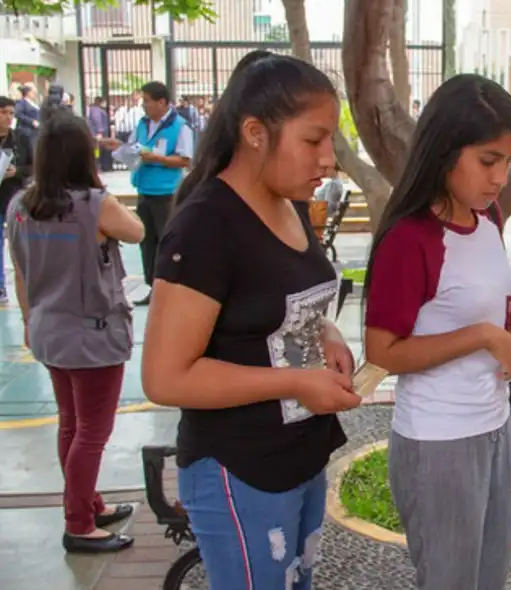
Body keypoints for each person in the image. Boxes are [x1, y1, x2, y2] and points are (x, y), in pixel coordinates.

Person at [141, 52, 360, 589]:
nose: (329, 160)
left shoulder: (285, 203)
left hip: (299, 457)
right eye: (314, 141)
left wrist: (325, 333)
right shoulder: (207, 227)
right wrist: (294, 380)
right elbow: (165, 378)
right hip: (239, 470)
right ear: (255, 133)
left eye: (330, 141)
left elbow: (274, 302)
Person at [363, 73, 511, 590]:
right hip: (438, 440)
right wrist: (483, 337)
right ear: (445, 151)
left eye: (508, 161)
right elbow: (383, 351)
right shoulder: (410, 238)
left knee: (489, 578)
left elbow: (497, 302)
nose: (501, 178)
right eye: (489, 161)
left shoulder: (489, 218)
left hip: (495, 428)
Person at [7, 111, 144, 553]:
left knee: (71, 424)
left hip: (48, 331)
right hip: (93, 336)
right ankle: (80, 523)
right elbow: (138, 231)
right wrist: (103, 192)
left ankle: (88, 502)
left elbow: (21, 274)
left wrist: (29, 323)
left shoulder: (21, 207)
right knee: (92, 433)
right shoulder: (93, 204)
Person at [101, 81, 193, 306]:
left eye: (147, 101)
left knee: (167, 241)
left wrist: (158, 159)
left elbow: (185, 159)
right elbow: (134, 148)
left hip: (167, 193)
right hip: (144, 189)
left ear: (162, 102)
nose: (144, 105)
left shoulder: (180, 127)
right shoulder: (142, 124)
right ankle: (153, 286)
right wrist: (120, 147)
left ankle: (171, 289)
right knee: (147, 241)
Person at [0, 95, 34, 303]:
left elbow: (33, 165)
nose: (8, 117)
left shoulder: (21, 137)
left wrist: (17, 171)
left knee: (20, 243)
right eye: (3, 112)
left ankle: (29, 285)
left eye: (11, 113)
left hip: (14, 197)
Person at [14, 83, 41, 149]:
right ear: (28, 93)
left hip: (35, 132)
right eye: (33, 92)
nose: (35, 94)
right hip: (27, 132)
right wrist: (32, 121)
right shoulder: (22, 102)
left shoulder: (33, 103)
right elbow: (18, 114)